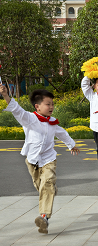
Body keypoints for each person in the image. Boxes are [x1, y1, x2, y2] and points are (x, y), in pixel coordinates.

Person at [0, 86, 80, 233]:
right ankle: (50, 189)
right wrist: (5, 95)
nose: (51, 107)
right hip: (32, 160)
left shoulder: (52, 122)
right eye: (47, 104)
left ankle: (44, 217)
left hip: (49, 159)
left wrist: (71, 145)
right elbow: (17, 110)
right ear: (37, 106)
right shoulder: (30, 119)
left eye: (52, 104)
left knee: (47, 182)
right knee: (41, 186)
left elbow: (62, 133)